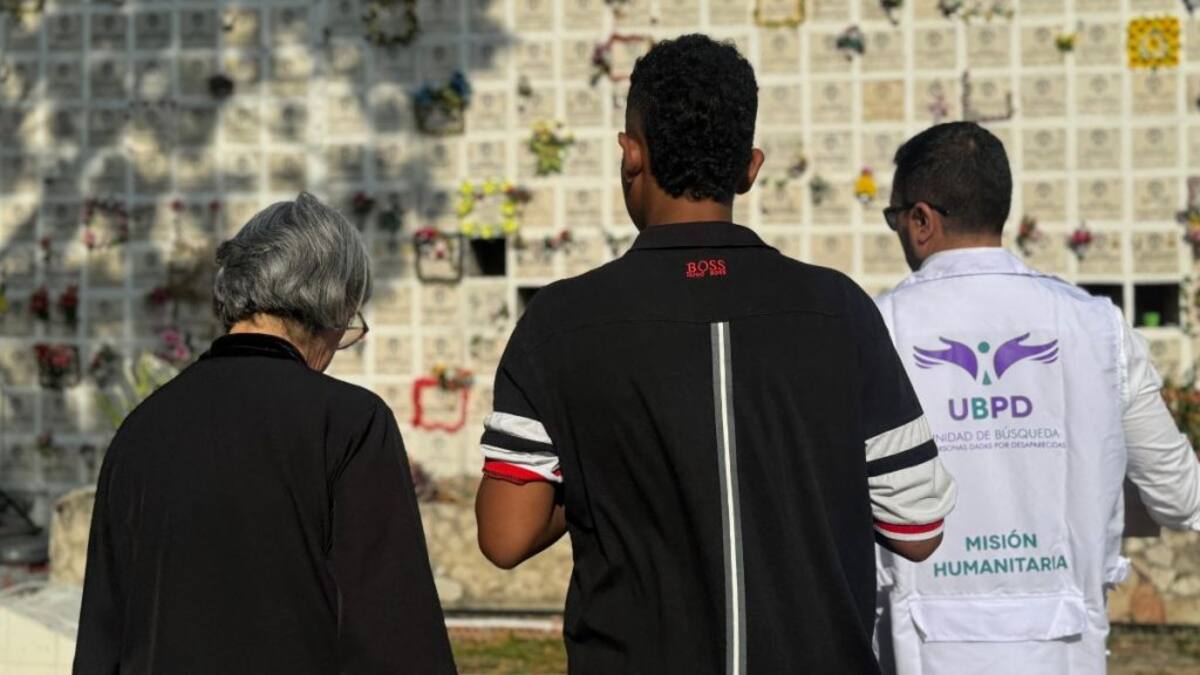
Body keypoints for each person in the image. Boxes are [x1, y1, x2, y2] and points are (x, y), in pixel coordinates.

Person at [473, 35, 956, 674]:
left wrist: (603, 481)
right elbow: (917, 529)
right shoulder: (839, 311)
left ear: (631, 155)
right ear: (750, 169)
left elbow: (505, 536)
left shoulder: (559, 324)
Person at [74, 193, 456, 674]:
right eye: (348, 326)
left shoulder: (143, 427)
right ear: (333, 308)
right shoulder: (347, 423)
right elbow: (395, 631)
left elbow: (103, 632)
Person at [873, 122, 1200, 675]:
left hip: (921, 648)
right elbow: (1179, 497)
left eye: (894, 218)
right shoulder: (1098, 327)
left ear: (922, 219)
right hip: (1064, 647)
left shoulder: (877, 326)